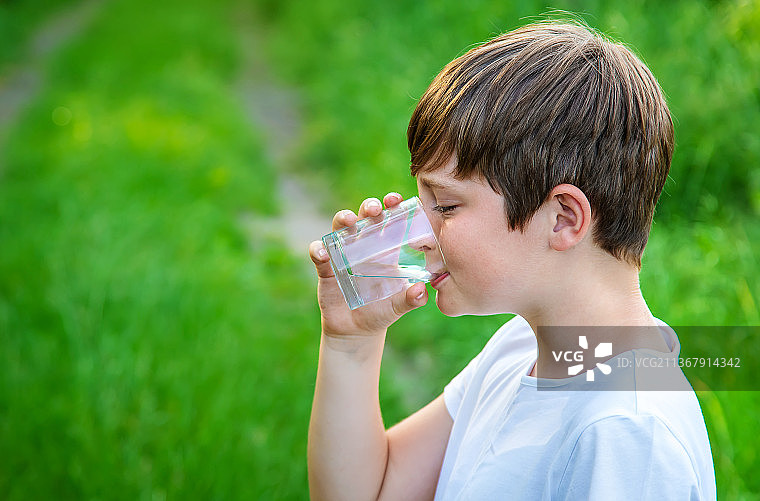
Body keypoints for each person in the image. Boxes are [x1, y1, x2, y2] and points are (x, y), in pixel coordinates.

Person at [306, 20, 716, 500]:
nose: (420, 237)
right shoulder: (521, 349)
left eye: (446, 206)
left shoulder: (629, 436)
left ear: (562, 219)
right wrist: (352, 342)